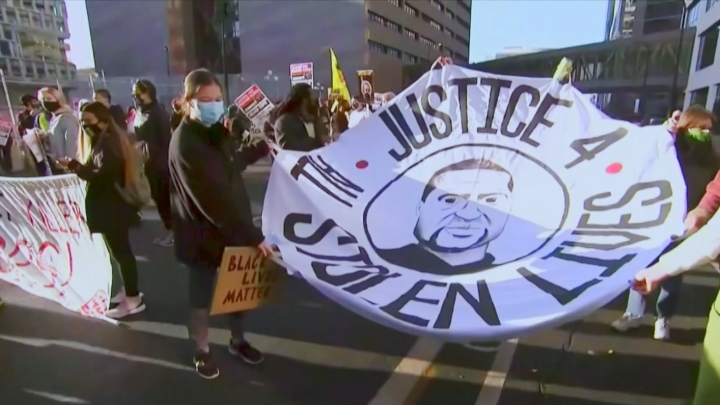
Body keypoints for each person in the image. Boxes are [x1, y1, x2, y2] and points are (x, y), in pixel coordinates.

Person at [168, 68, 272, 379]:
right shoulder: (186, 143)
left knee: (235, 291)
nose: (214, 105)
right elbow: (214, 201)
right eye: (206, 100)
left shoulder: (214, 132)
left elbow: (230, 165)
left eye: (217, 99)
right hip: (202, 234)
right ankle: (201, 350)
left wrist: (260, 149)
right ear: (189, 101)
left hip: (230, 231)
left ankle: (238, 342)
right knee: (201, 296)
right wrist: (253, 236)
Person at [612, 105, 720, 340]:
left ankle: (663, 318)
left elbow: (714, 192)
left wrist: (701, 214)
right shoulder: (672, 150)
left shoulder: (713, 159)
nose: (705, 134)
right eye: (700, 128)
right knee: (643, 264)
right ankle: (633, 313)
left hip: (686, 223)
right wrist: (669, 126)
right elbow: (654, 145)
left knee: (673, 273)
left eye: (709, 130)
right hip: (658, 217)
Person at [56, 101, 144, 318]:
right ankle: (130, 291)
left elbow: (102, 176)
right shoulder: (105, 141)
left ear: (103, 122)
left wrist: (76, 167)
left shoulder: (108, 144)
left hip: (112, 207)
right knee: (121, 252)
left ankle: (133, 298)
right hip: (112, 206)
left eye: (89, 121)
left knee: (121, 253)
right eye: (82, 121)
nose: (85, 126)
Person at [377, 159, 513, 275]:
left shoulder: (508, 280)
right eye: (450, 200)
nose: (468, 215)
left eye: (491, 200)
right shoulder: (375, 263)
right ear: (419, 208)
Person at [132, 79, 173, 246]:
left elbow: (165, 139)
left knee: (164, 199)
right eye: (134, 93)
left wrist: (149, 148)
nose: (136, 96)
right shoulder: (140, 112)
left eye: (139, 93)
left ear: (149, 93)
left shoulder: (158, 113)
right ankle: (169, 228)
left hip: (160, 163)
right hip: (147, 163)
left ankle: (173, 231)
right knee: (158, 198)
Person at [37, 87, 79, 174]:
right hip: (58, 164)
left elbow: (72, 143)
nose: (45, 102)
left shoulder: (67, 118)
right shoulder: (55, 117)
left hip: (66, 167)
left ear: (59, 99)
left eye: (49, 98)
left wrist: (70, 164)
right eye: (43, 99)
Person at [274, 83, 325, 151]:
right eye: (311, 99)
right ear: (303, 101)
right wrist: (318, 141)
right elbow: (290, 147)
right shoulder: (284, 122)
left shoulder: (314, 120)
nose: (315, 103)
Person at [14, 95, 41, 173]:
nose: (37, 102)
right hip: (32, 141)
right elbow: (23, 126)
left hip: (44, 138)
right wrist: (31, 116)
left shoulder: (41, 111)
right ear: (28, 103)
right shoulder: (22, 115)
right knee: (38, 159)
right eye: (34, 101)